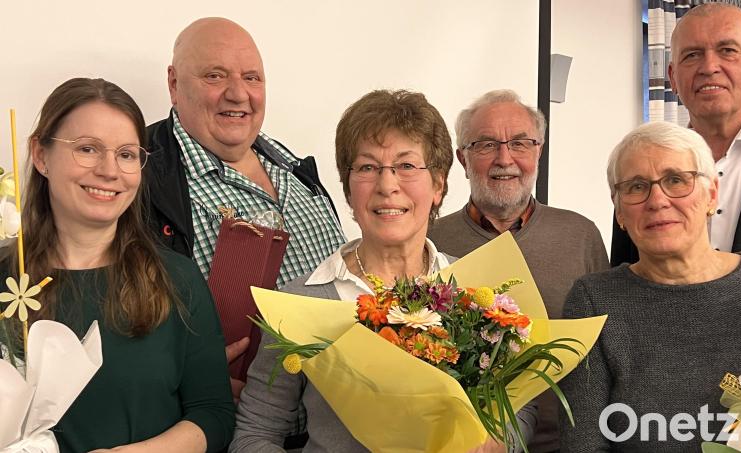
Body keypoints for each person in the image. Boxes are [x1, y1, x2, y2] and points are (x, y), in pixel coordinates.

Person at [231, 90, 525, 452]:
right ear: (349, 190)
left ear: (438, 184)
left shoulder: (476, 293)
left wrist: (496, 442)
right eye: (368, 167)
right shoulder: (300, 302)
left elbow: (518, 412)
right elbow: (255, 433)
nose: (387, 186)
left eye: (406, 166)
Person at [9, 78, 234, 452]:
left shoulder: (177, 278)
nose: (110, 171)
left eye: (127, 154)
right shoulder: (6, 277)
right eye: (87, 149)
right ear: (41, 155)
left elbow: (214, 415)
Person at [559, 121, 741, 452]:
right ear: (618, 210)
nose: (657, 200)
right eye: (635, 186)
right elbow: (583, 444)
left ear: (711, 194)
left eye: (676, 180)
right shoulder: (593, 300)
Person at [144, 17, 346, 399]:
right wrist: (182, 373)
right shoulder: (137, 178)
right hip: (236, 423)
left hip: (335, 413)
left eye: (252, 78)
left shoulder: (290, 163)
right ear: (174, 84)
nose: (238, 94)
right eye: (215, 76)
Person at [429, 89, 609, 453]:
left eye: (521, 143)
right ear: (463, 159)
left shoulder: (581, 235)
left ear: (538, 151)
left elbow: (606, 349)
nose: (504, 158)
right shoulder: (430, 240)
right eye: (486, 145)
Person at [610, 3, 741, 266]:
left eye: (727, 50)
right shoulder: (641, 174)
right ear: (673, 78)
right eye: (692, 55)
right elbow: (626, 283)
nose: (709, 67)